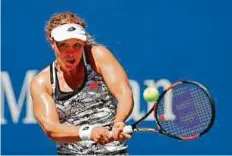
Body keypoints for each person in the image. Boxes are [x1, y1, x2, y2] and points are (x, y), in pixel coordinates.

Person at [30, 12, 134, 155]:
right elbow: (51, 128)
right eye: (63, 45)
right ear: (52, 42)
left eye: (77, 45)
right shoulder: (41, 82)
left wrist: (119, 121)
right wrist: (89, 132)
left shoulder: (98, 56)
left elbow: (124, 93)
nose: (70, 52)